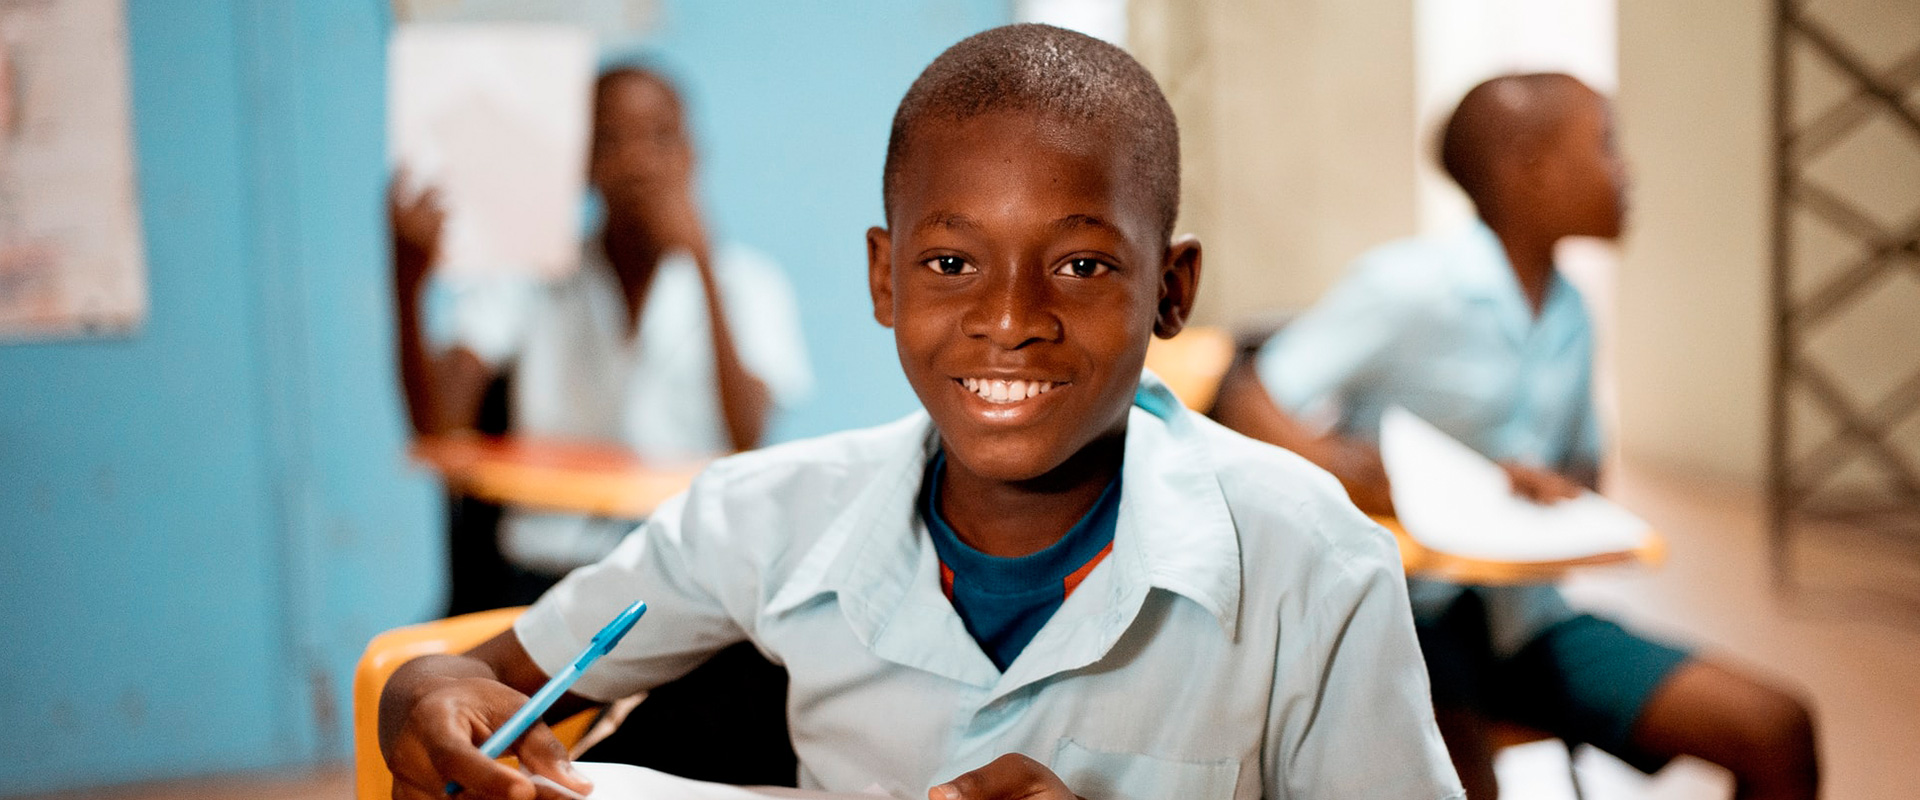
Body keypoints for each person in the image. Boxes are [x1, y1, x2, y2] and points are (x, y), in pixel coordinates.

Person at [379, 24, 1463, 800]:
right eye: (951, 261)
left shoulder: (1312, 560)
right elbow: (485, 675)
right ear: (884, 277)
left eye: (1082, 263)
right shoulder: (763, 515)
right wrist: (422, 695)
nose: (1009, 318)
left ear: (1170, 290)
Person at [1212, 73, 1818, 800]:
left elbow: (1585, 477)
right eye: (1606, 146)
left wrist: (1550, 488)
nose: (1626, 171)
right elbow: (1245, 395)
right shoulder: (1409, 285)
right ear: (1529, 168)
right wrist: (1346, 466)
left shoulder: (1572, 316)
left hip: (1523, 622)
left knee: (1778, 730)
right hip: (1402, 619)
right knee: (1461, 781)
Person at [390, 65, 812, 592]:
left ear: (692, 155)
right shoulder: (532, 276)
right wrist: (408, 284)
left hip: (688, 577)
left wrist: (702, 263)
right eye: (612, 139)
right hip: (543, 575)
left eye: (661, 137)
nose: (638, 160)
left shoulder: (748, 284)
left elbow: (749, 435)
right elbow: (438, 427)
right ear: (584, 164)